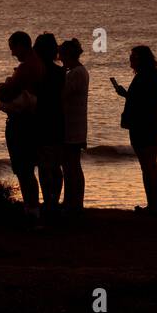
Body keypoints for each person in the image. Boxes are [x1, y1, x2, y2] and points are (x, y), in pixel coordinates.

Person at [0, 30, 45, 223]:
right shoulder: (38, 64)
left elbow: (8, 94)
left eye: (13, 48)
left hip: (21, 124)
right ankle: (33, 209)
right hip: (33, 123)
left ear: (22, 45)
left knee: (23, 169)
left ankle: (31, 212)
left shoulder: (27, 67)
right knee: (27, 169)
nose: (12, 53)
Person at [111, 45, 157, 214]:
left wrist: (126, 95)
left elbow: (143, 102)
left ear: (142, 60)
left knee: (149, 166)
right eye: (131, 57)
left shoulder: (146, 76)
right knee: (148, 166)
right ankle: (154, 204)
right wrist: (126, 95)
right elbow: (143, 99)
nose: (131, 60)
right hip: (146, 124)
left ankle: (156, 205)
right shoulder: (150, 75)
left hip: (143, 125)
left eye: (134, 57)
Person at [33, 32, 67, 221]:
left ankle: (48, 201)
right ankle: (54, 200)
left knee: (44, 166)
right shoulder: (60, 72)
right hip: (58, 121)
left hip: (41, 121)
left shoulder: (37, 72)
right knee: (55, 166)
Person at [58, 38, 88, 216]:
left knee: (71, 166)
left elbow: (62, 93)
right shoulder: (77, 71)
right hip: (75, 124)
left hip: (71, 125)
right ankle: (74, 201)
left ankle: (73, 202)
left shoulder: (76, 73)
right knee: (72, 165)